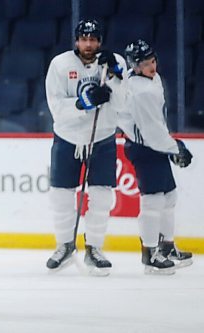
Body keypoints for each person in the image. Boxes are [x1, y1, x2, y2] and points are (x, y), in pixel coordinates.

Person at [45, 19, 127, 276]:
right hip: (67, 137)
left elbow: (123, 104)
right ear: (76, 40)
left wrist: (114, 77)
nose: (88, 44)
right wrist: (82, 104)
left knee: (102, 195)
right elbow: (56, 107)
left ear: (100, 41)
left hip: (101, 136)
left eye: (93, 39)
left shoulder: (115, 63)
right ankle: (65, 246)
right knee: (61, 194)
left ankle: (94, 248)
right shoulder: (60, 64)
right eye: (84, 39)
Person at [119, 39, 193, 275]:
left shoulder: (150, 79)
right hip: (145, 148)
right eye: (145, 63)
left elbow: (157, 125)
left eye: (153, 60)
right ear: (135, 65)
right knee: (153, 201)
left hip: (155, 145)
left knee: (169, 197)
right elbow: (150, 130)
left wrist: (170, 145)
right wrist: (174, 148)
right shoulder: (140, 91)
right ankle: (150, 253)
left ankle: (166, 245)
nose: (152, 66)